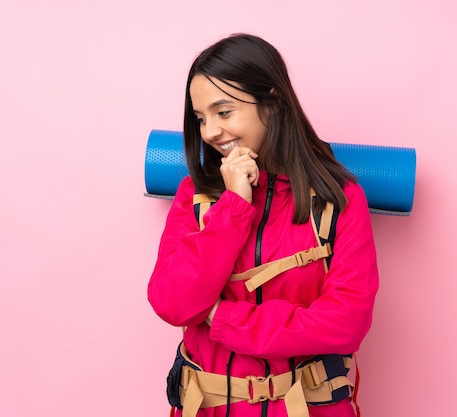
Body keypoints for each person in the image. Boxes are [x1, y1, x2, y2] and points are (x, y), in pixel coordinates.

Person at [148, 33, 379, 417]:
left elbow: (346, 323)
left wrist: (221, 317)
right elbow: (172, 303)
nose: (209, 132)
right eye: (201, 118)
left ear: (272, 102)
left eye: (223, 113)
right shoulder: (195, 195)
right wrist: (235, 205)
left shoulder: (340, 199)